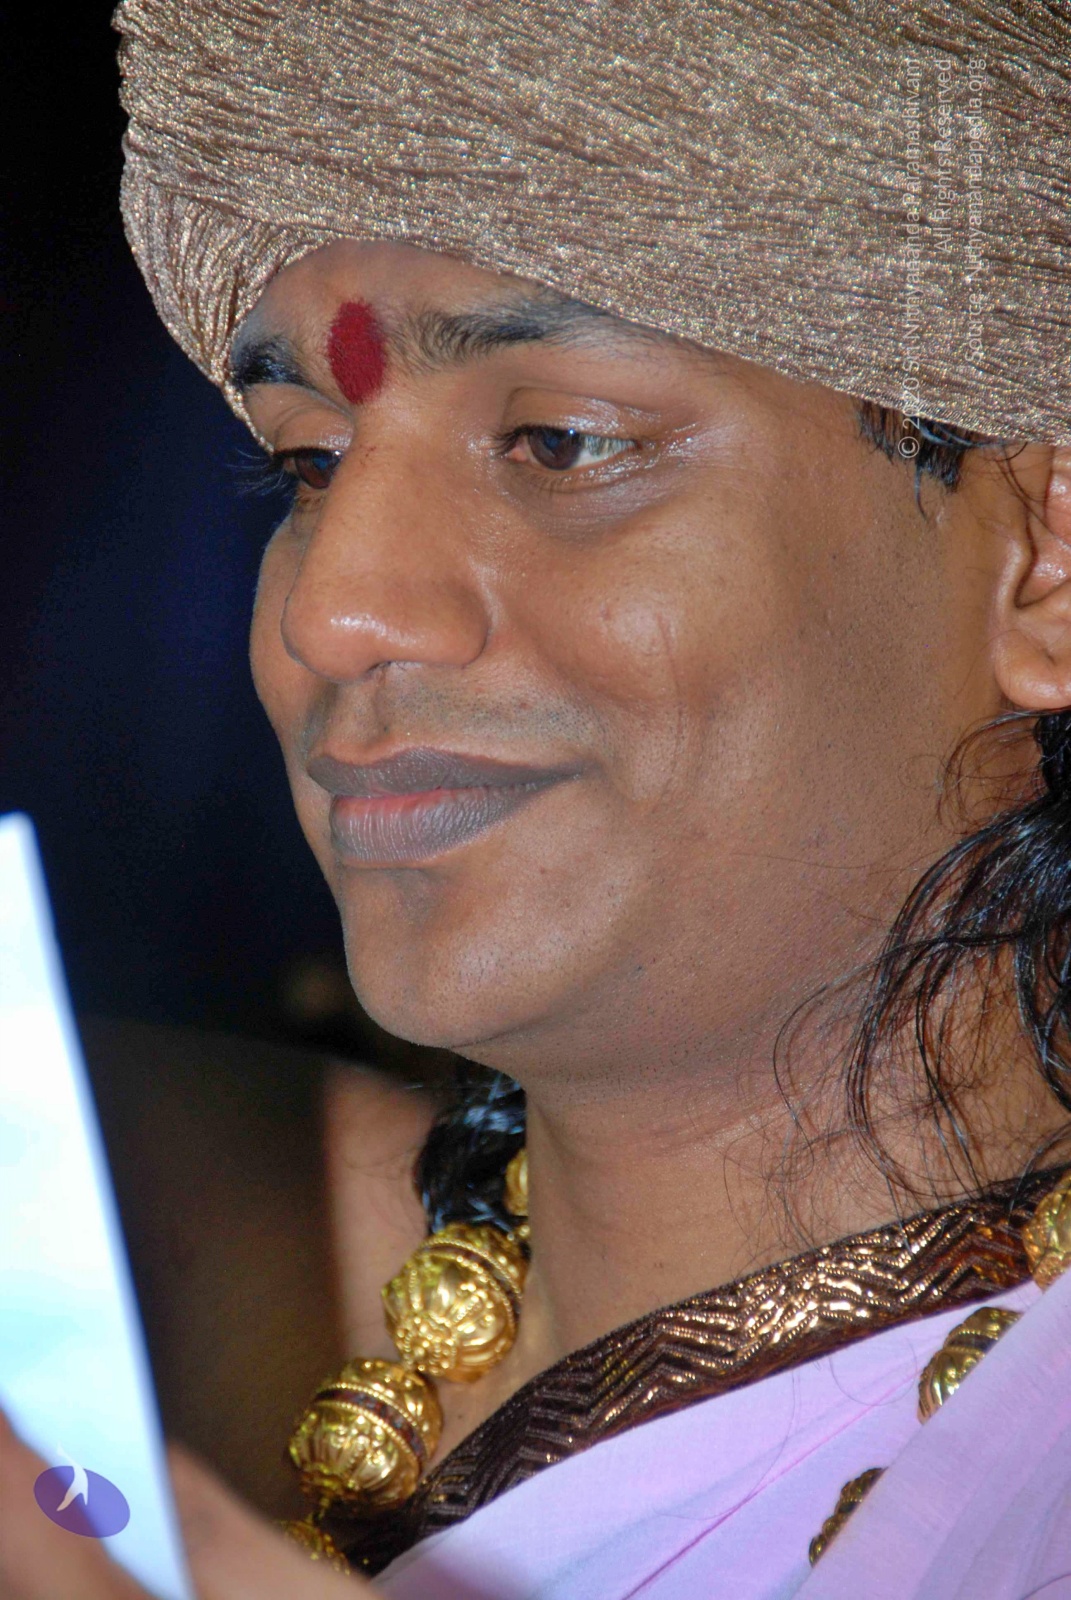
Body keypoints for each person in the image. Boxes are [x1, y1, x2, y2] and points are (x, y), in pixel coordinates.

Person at [3, 1, 1071, 1595]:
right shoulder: (119, 1232)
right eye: (310, 465)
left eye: (561, 446)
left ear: (1043, 560)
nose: (333, 613)